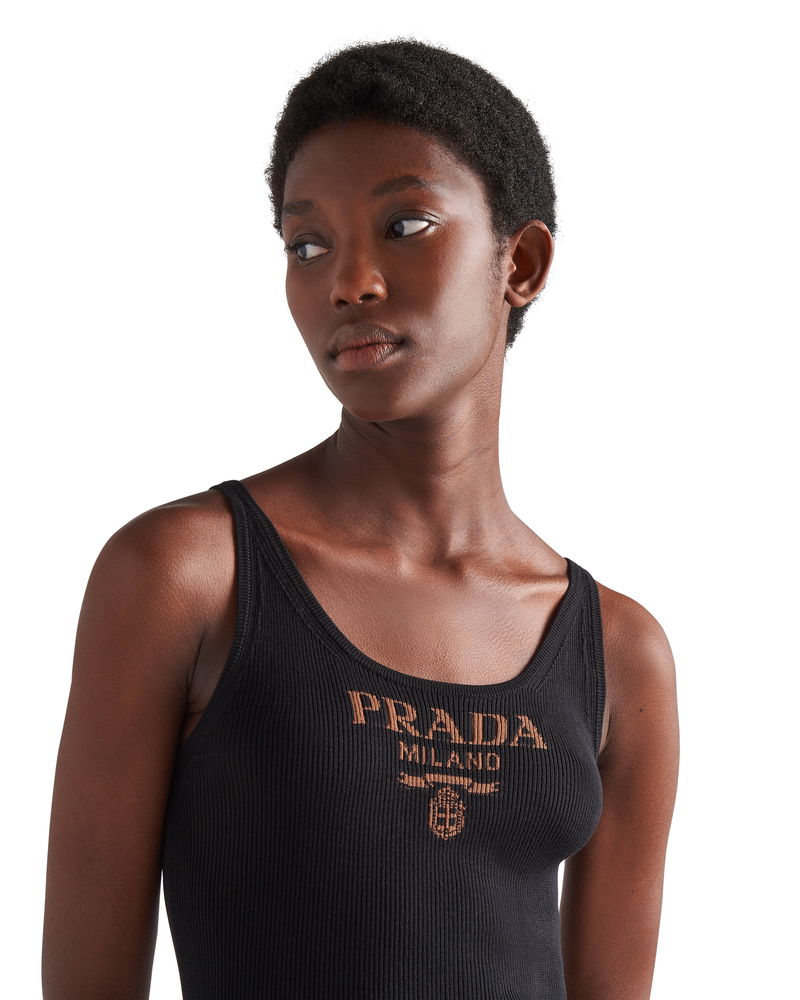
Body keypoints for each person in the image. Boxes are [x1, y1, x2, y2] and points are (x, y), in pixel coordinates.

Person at [42, 37, 680, 1000]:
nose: (349, 282)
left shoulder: (618, 653)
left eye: (406, 225)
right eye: (307, 245)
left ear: (522, 263)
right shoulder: (188, 577)